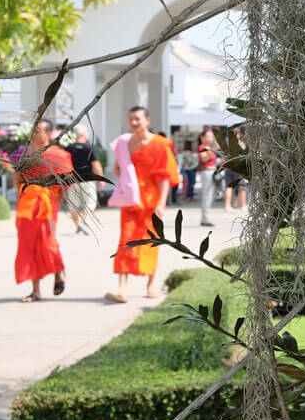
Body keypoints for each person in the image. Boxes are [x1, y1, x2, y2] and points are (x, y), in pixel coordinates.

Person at [106, 107, 180, 302]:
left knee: (150, 241)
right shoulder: (124, 143)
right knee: (126, 241)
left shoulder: (160, 144)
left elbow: (165, 177)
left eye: (138, 119)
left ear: (147, 120)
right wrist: (128, 183)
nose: (134, 123)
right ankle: (122, 287)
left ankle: (151, 284)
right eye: (131, 119)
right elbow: (117, 170)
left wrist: (162, 203)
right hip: (130, 200)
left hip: (151, 200)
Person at [13, 119, 72, 302]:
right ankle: (35, 290)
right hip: (27, 206)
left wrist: (51, 197)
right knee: (28, 245)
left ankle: (58, 270)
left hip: (48, 204)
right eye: (32, 131)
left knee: (48, 242)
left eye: (37, 131)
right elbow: (17, 180)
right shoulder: (24, 155)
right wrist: (28, 194)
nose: (33, 134)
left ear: (48, 134)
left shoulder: (59, 155)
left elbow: (66, 182)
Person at [63, 124, 104, 235]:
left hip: (72, 180)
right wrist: (101, 179)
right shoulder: (89, 147)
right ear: (84, 134)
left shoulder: (68, 148)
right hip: (87, 180)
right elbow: (96, 165)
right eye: (87, 133)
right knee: (91, 202)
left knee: (73, 205)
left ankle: (78, 226)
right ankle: (83, 221)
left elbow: (63, 164)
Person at [222, 127, 248, 212]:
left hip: (228, 167)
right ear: (238, 134)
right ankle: (243, 205)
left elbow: (223, 157)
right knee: (241, 186)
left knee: (228, 187)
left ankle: (227, 206)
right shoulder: (240, 143)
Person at [197, 128, 217, 227]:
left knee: (210, 195)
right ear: (202, 137)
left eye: (211, 136)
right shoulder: (202, 147)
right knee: (207, 195)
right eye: (208, 136)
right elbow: (204, 159)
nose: (210, 138)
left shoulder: (209, 147)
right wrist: (214, 150)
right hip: (206, 172)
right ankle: (205, 218)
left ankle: (205, 217)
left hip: (212, 171)